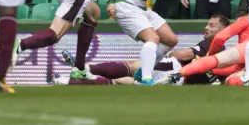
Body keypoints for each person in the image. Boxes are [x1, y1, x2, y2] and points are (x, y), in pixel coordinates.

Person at [53, 14, 229, 85]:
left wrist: (171, 53)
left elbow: (185, 54)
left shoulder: (212, 43)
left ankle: (84, 68)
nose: (206, 28)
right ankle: (67, 81)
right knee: (121, 82)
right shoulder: (226, 56)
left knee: (134, 65)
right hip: (177, 82)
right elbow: (225, 79)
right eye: (207, 24)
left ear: (222, 31)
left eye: (212, 25)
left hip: (174, 69)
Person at [156, 14, 249, 86]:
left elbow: (219, 38)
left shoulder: (245, 20)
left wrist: (209, 59)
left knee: (217, 63)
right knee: (232, 80)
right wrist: (212, 70)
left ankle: (179, 73)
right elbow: (234, 69)